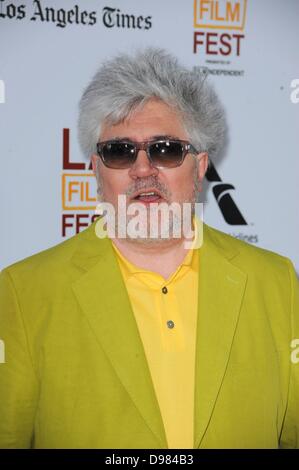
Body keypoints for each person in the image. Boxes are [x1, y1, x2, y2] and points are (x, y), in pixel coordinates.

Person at [0, 48, 298, 449]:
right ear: (95, 168)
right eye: (119, 151)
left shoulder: (276, 282)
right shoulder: (25, 292)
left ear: (201, 165)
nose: (143, 169)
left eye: (166, 149)